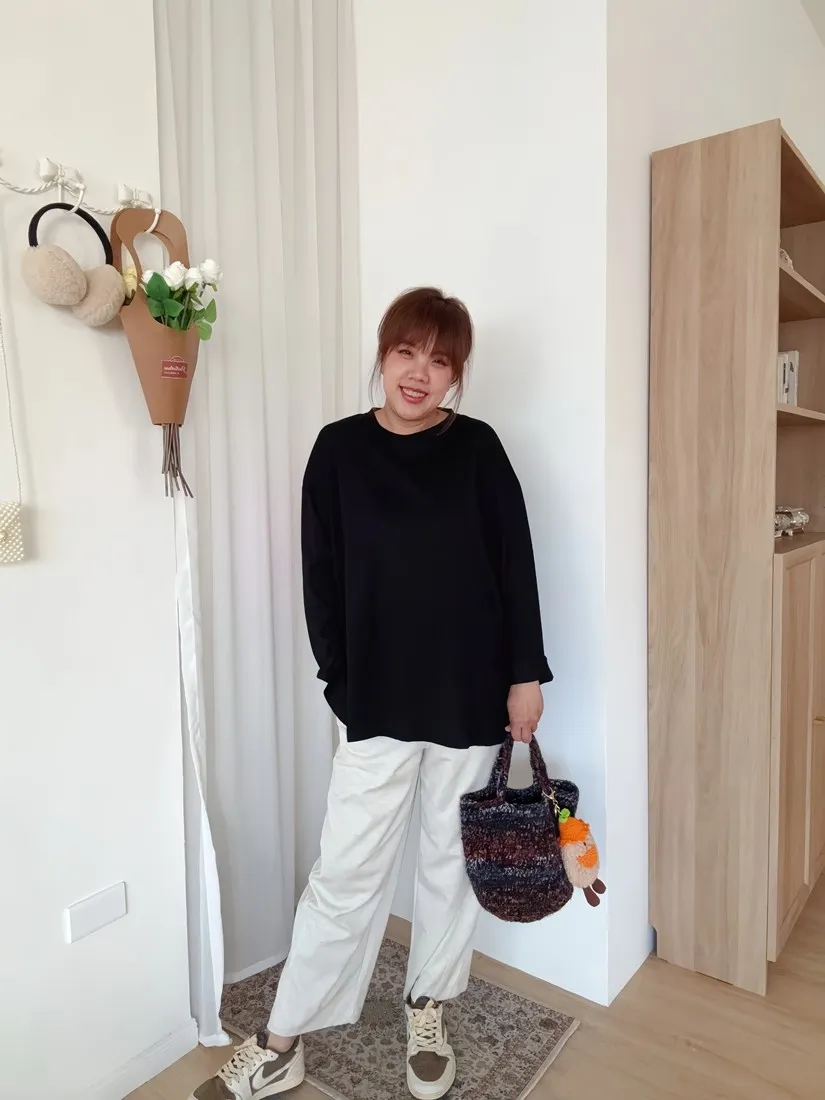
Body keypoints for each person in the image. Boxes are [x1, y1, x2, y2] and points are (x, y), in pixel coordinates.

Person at [192, 288, 552, 1100]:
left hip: (471, 697)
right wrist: (341, 684)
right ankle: (283, 1041)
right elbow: (319, 580)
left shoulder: (478, 449)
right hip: (378, 701)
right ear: (384, 356)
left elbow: (515, 568)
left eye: (440, 361)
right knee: (345, 872)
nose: (420, 373)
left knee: (448, 865)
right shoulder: (339, 451)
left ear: (456, 375)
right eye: (406, 352)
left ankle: (427, 1007)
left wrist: (524, 674)